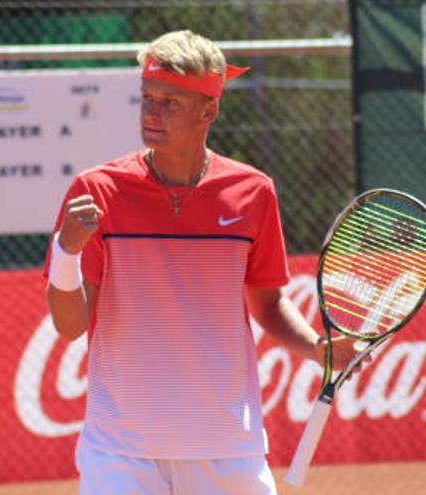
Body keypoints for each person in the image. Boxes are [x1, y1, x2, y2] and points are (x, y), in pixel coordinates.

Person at [44, 29, 361, 495]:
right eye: (147, 98)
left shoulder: (253, 192)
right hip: (120, 450)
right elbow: (69, 325)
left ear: (208, 111)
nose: (152, 112)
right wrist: (65, 251)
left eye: (169, 102)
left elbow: (268, 304)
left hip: (227, 447)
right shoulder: (96, 190)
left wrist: (317, 348)